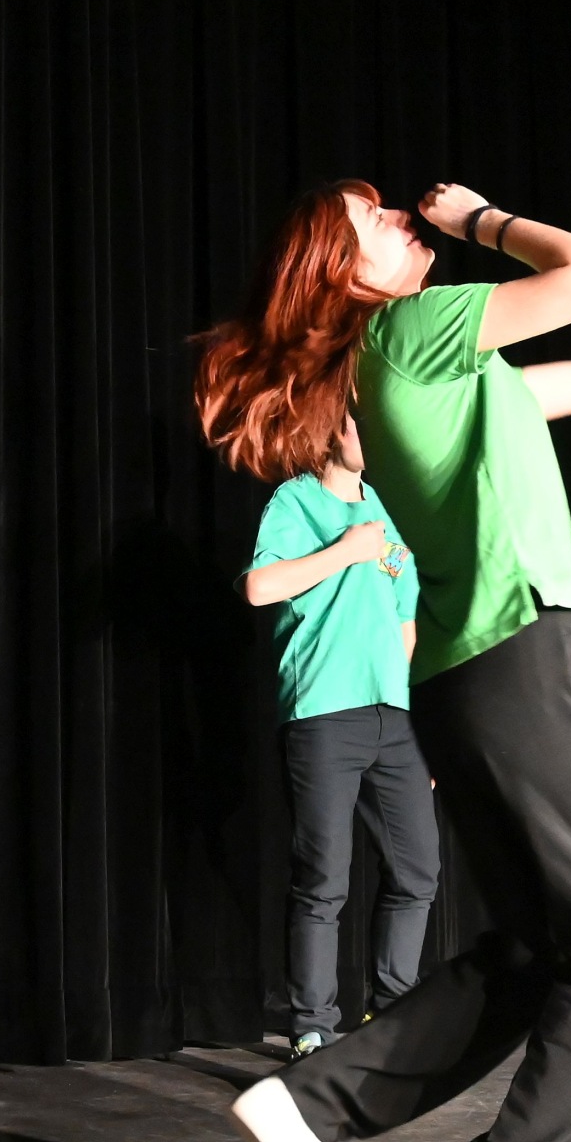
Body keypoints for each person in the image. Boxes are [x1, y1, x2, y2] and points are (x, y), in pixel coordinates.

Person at [192, 133, 571, 1142]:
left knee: (536, 945)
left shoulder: (429, 374)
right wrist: (478, 218)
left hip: (466, 677)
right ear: (341, 275)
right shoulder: (404, 334)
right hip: (528, 652)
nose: (402, 221)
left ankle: (311, 1104)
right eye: (373, 221)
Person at [242, 414, 441, 1060]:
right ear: (329, 431)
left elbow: (407, 619)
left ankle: (392, 1016)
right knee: (324, 878)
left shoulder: (388, 512)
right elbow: (259, 587)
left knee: (417, 871)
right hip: (326, 711)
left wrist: (418, 718)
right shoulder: (295, 500)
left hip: (394, 716)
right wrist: (345, 551)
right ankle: (313, 1027)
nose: (372, 436)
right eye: (360, 425)